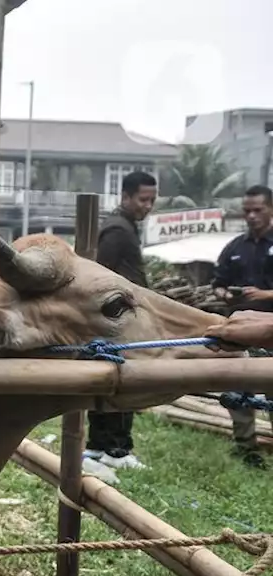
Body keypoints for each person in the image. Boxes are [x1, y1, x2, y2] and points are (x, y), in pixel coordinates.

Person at [84, 171, 157, 472]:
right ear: (125, 197)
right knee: (120, 384)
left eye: (152, 200)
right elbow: (102, 275)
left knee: (115, 383)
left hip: (122, 319)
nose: (148, 206)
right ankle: (112, 448)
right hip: (117, 322)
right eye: (143, 199)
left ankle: (108, 446)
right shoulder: (117, 230)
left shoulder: (126, 226)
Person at [211, 185, 273, 467]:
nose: (251, 216)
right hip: (240, 335)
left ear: (270, 209)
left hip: (271, 333)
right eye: (247, 211)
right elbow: (218, 283)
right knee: (240, 394)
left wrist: (265, 295)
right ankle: (246, 448)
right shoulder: (235, 247)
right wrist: (224, 293)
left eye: (257, 210)